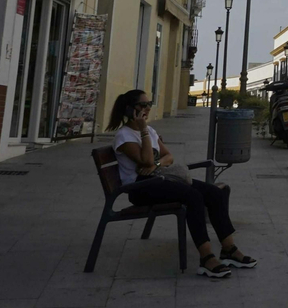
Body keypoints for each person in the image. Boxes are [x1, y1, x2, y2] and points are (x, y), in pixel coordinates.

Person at [107, 88, 258, 279]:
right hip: (139, 188)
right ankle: (206, 258)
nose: (147, 108)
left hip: (159, 179)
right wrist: (143, 129)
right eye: (142, 105)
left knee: (213, 193)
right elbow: (145, 161)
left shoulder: (151, 131)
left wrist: (157, 164)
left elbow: (168, 156)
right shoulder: (124, 136)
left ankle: (228, 249)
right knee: (193, 196)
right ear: (129, 109)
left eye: (149, 104)